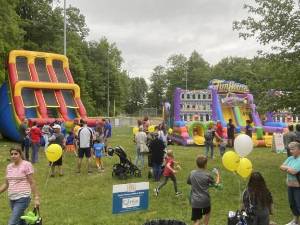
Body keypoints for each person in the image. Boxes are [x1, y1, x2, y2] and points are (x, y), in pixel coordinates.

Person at [0, 147, 40, 225]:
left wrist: (36, 197)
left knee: (12, 222)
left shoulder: (26, 165)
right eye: (11, 154)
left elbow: (32, 182)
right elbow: (6, 184)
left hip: (23, 198)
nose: (13, 156)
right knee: (20, 221)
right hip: (12, 198)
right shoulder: (9, 167)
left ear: (20, 154)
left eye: (16, 154)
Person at [187, 155, 220, 225]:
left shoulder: (192, 173)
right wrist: (218, 175)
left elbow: (189, 182)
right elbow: (216, 185)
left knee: (197, 221)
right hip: (205, 200)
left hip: (195, 201)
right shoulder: (207, 175)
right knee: (207, 214)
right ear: (205, 164)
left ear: (196, 164)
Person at [280, 142, 300, 225]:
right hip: (290, 185)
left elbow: (294, 171)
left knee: (299, 204)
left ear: (299, 149)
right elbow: (281, 167)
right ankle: (295, 221)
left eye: (293, 149)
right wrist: (289, 168)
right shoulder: (290, 158)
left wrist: (287, 168)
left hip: (298, 186)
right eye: (290, 149)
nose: (291, 151)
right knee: (292, 204)